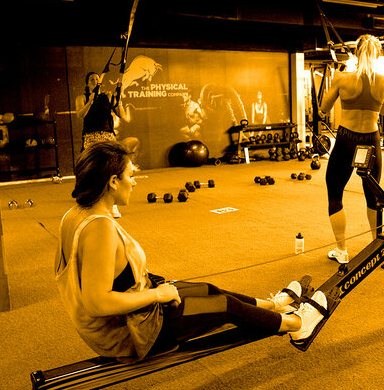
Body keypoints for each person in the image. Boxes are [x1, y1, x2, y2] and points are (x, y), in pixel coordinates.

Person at [56, 140, 326, 359]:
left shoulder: (75, 214)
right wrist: (158, 294)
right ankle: (297, 325)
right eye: (130, 176)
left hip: (134, 313)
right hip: (134, 332)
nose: (135, 182)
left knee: (208, 290)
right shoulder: (99, 228)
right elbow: (97, 302)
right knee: (225, 306)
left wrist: (156, 291)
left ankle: (273, 305)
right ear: (113, 182)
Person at [318, 35, 384, 264]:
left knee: (335, 192)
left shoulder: (342, 77)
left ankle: (342, 250)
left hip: (346, 139)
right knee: (373, 196)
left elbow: (323, 108)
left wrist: (336, 82)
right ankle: (375, 247)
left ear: (356, 53)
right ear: (378, 54)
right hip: (371, 138)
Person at [76, 71, 132, 152]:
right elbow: (80, 115)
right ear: (87, 84)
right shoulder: (82, 98)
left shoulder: (108, 96)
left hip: (108, 135)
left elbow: (122, 115)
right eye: (92, 80)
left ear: (100, 83)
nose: (95, 82)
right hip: (91, 136)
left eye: (97, 79)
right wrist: (90, 102)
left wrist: (119, 102)